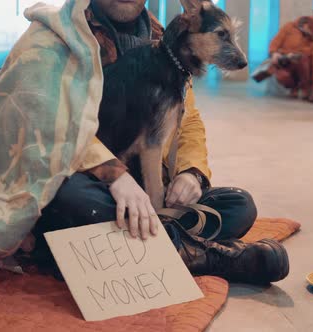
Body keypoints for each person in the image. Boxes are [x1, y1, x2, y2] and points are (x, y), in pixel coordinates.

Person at [30, 0, 289, 285]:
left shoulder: (169, 39)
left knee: (238, 204)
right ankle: (204, 255)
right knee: (71, 197)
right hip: (89, 177)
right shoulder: (62, 32)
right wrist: (114, 174)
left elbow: (187, 120)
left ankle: (149, 242)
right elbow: (51, 120)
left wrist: (191, 173)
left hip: (146, 191)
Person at [267, 16, 313, 100]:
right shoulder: (289, 27)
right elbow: (275, 43)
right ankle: (293, 88)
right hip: (286, 62)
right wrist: (274, 53)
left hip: (304, 68)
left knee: (303, 59)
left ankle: (305, 88)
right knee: (282, 76)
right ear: (307, 27)